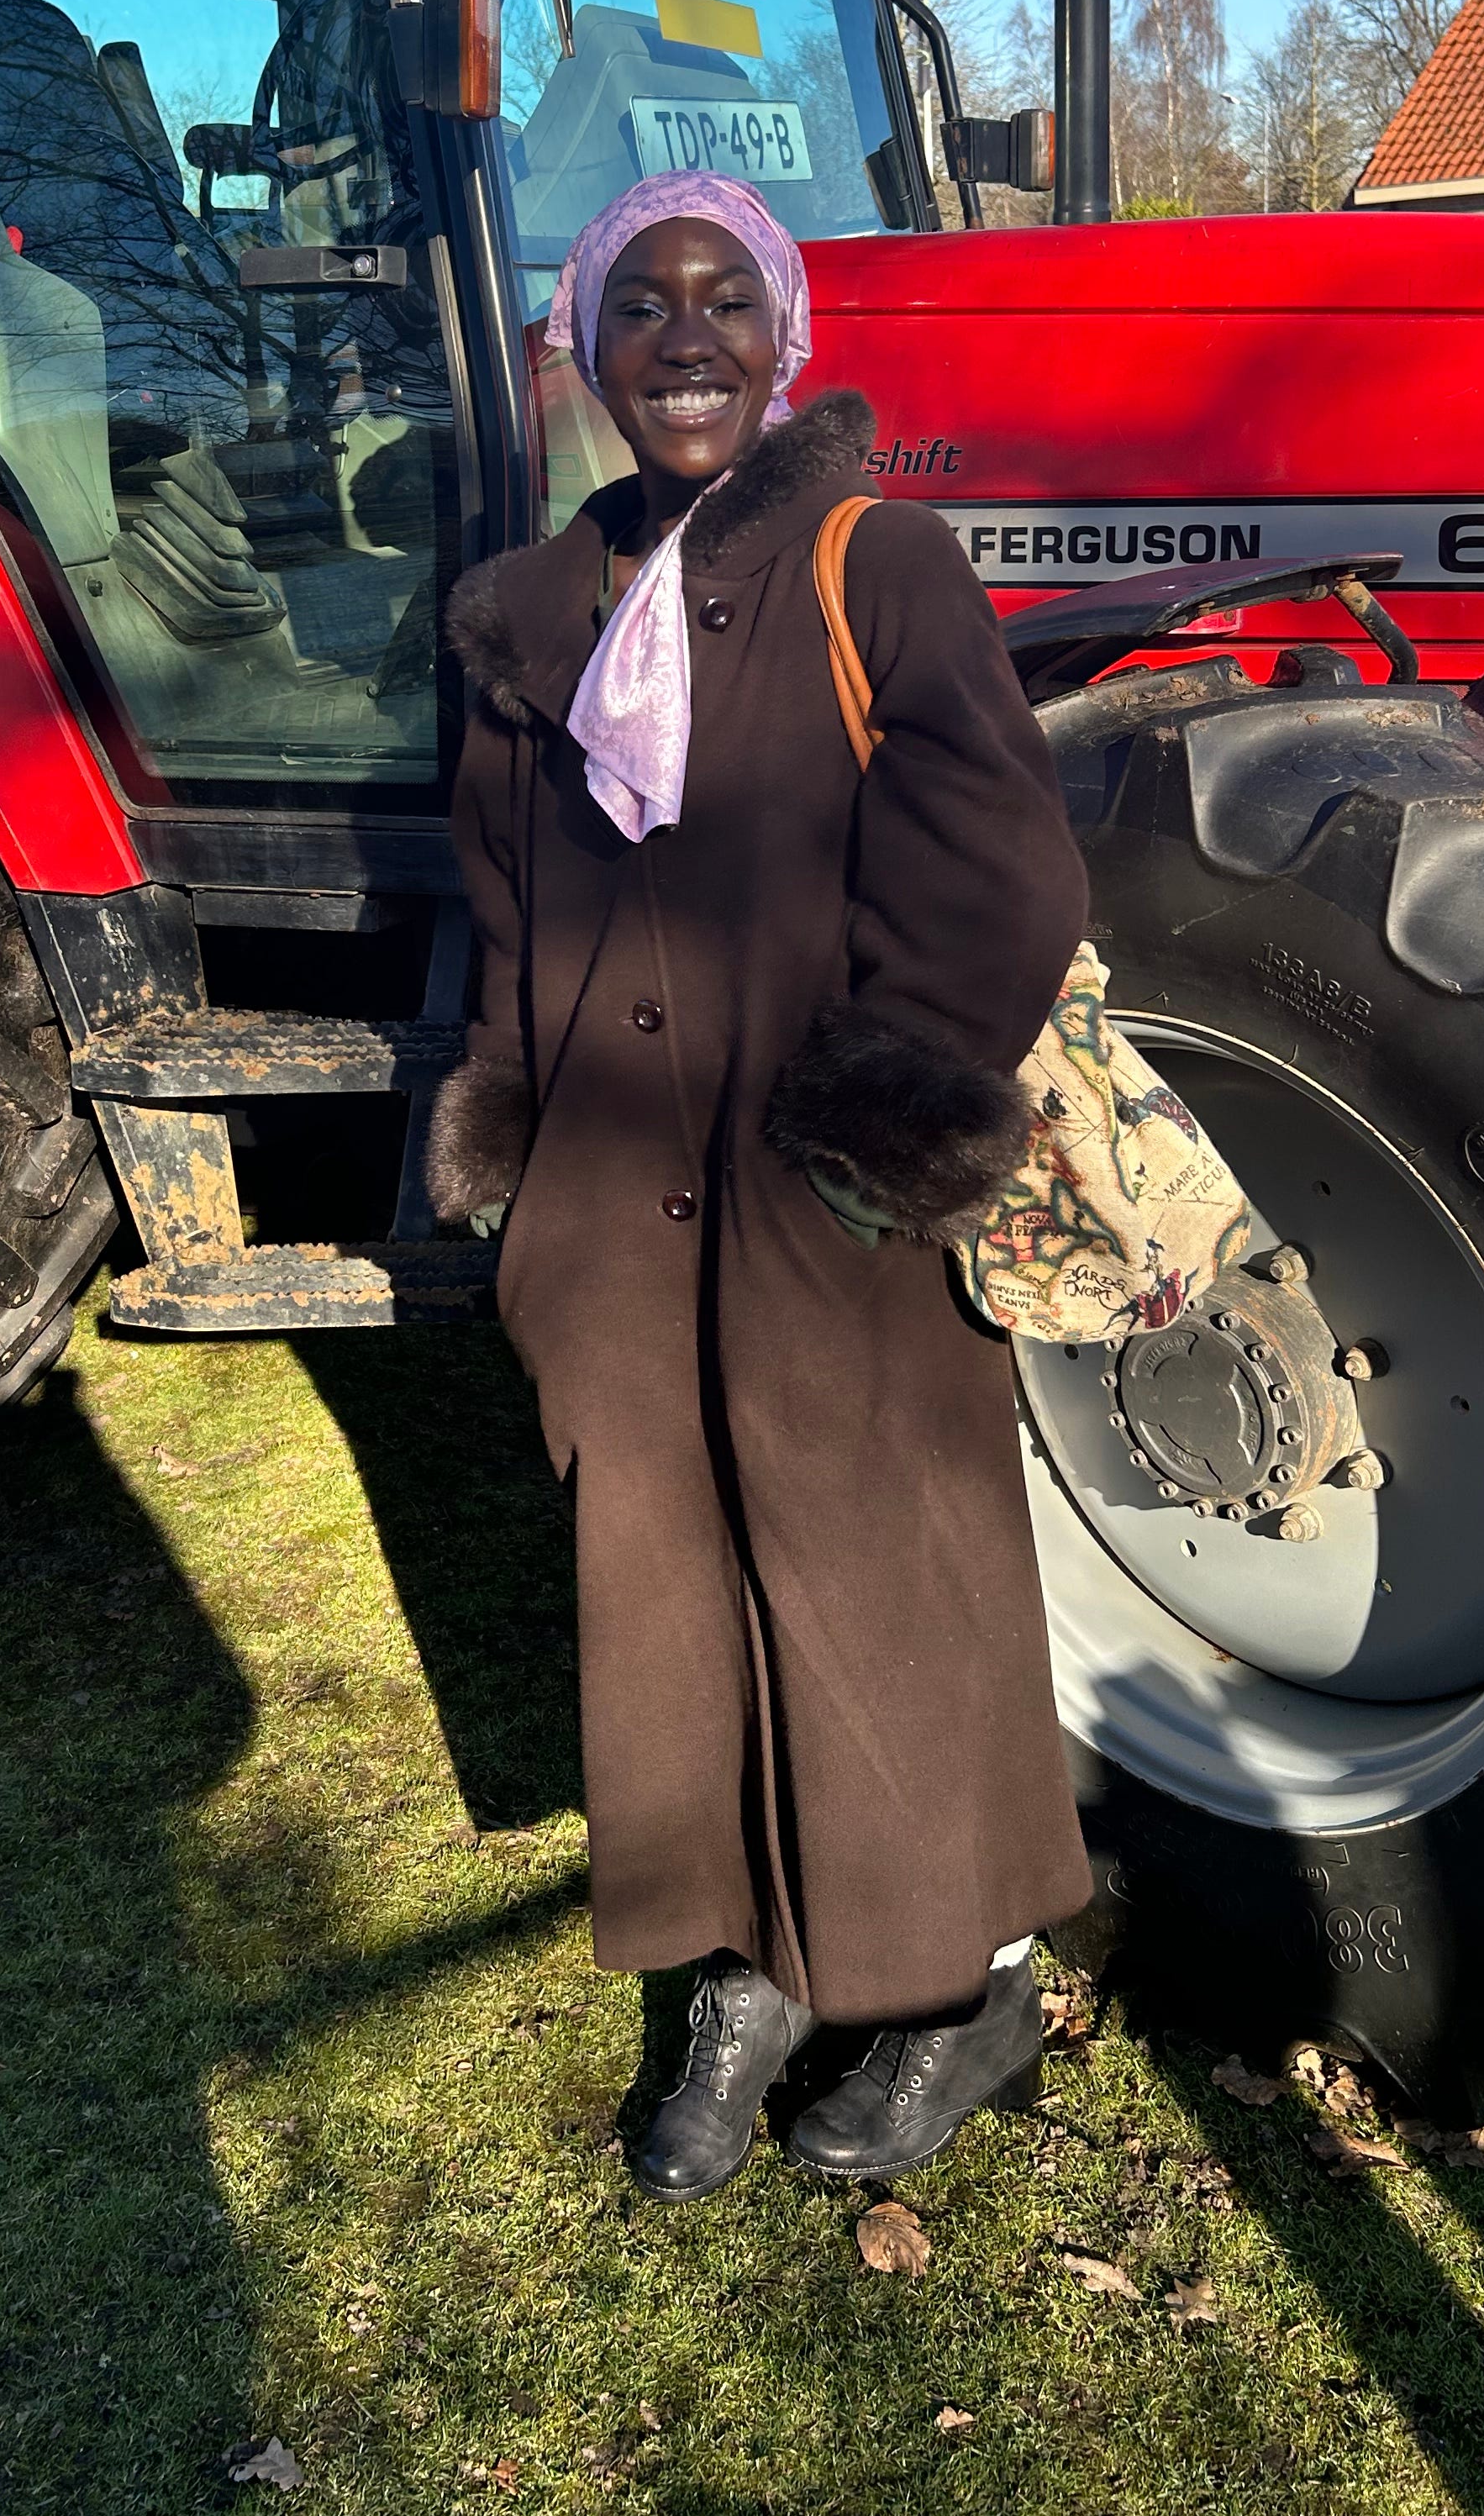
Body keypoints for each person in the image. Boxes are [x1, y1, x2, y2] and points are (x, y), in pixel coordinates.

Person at [428, 171, 1093, 2200]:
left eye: (727, 300)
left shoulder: (872, 561)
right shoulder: (536, 614)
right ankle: (750, 1961)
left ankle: (962, 1983)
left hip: (818, 1180)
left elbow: (1003, 870)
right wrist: (514, 1141)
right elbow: (506, 894)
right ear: (590, 351)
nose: (688, 338)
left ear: (783, 336)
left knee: (882, 1561)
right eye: (646, 307)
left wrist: (866, 1129)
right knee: (669, 1579)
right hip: (615, 1198)